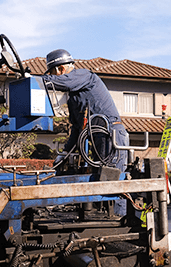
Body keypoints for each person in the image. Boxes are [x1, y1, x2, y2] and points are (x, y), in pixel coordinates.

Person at [41, 49, 129, 217]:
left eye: (53, 73)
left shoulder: (84, 76)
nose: (54, 78)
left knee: (113, 181)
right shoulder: (74, 97)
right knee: (99, 180)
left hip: (110, 133)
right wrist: (65, 153)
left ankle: (120, 218)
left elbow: (63, 83)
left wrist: (34, 80)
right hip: (96, 137)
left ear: (60, 70)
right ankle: (103, 218)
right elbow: (77, 127)